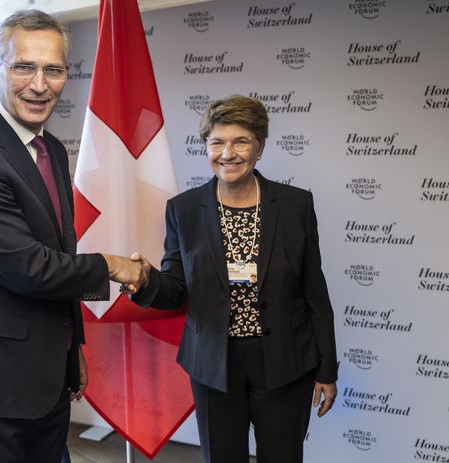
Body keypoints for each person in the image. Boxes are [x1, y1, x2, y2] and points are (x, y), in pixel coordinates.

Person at [0, 10, 146, 463]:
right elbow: (28, 268)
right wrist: (111, 265)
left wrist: (73, 350)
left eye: (54, 69)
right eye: (24, 67)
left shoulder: (49, 150)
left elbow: (59, 251)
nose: (40, 85)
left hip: (43, 381)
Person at [129, 95, 338, 463]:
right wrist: (145, 281)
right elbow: (176, 288)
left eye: (240, 141)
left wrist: (326, 369)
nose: (228, 153)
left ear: (259, 146)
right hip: (213, 364)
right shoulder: (185, 209)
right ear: (206, 147)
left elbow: (314, 293)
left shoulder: (295, 206)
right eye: (217, 142)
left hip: (285, 361)